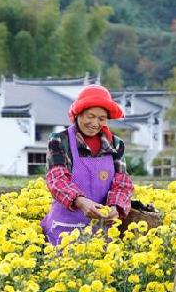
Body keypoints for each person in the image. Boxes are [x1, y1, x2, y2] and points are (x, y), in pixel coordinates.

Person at [41, 83, 134, 246]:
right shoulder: (60, 141)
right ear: (78, 114)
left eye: (101, 119)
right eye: (90, 116)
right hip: (65, 228)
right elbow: (57, 179)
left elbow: (122, 184)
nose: (95, 123)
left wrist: (115, 207)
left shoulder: (116, 145)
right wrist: (80, 201)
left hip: (102, 229)